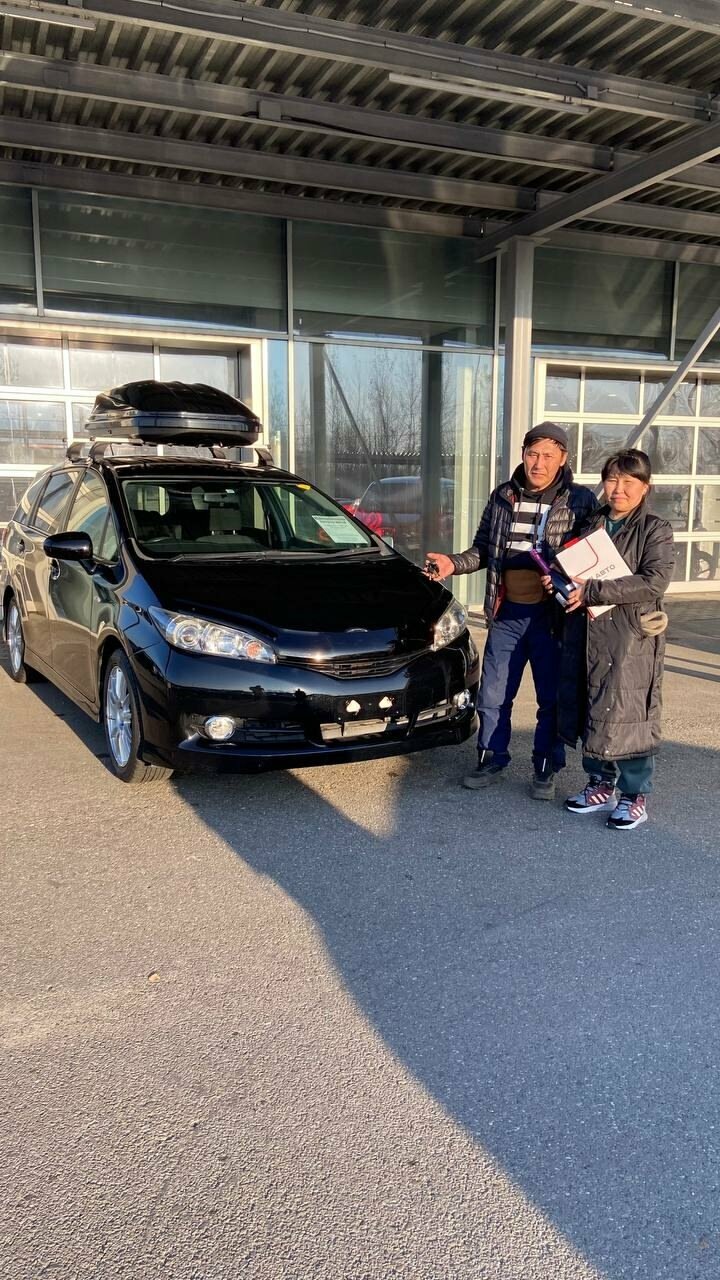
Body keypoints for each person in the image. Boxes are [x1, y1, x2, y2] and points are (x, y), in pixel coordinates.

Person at [425, 422, 597, 800]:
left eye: (548, 456)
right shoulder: (503, 495)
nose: (539, 463)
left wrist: (566, 577)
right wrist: (454, 563)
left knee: (550, 698)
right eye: (533, 454)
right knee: (493, 694)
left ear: (563, 459)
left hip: (552, 618)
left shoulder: (581, 500)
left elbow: (592, 556)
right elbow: (483, 549)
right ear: (522, 454)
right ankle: (491, 757)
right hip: (507, 614)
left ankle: (546, 766)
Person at [555, 449, 675, 831]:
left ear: (645, 487)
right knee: (593, 703)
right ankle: (599, 782)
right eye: (611, 480)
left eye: (628, 481)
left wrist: (593, 590)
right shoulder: (592, 522)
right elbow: (573, 569)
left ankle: (634, 794)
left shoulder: (655, 528)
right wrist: (558, 580)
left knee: (629, 709)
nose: (618, 489)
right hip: (589, 631)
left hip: (630, 636)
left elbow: (654, 581)